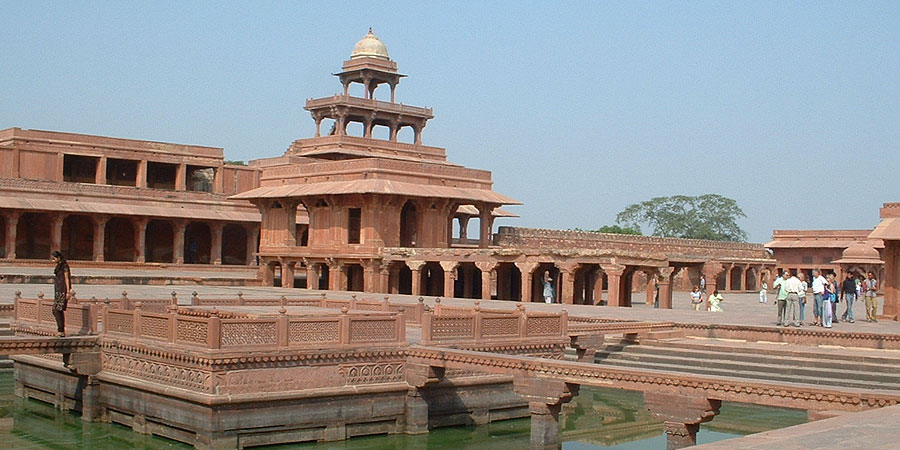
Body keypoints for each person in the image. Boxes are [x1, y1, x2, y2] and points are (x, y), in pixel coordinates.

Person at [51, 251, 71, 336]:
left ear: (58, 258)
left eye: (54, 258)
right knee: (58, 310)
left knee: (57, 309)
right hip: (58, 289)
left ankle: (61, 330)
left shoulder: (65, 266)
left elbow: (67, 279)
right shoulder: (59, 266)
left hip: (63, 290)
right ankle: (61, 330)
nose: (52, 260)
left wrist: (68, 292)